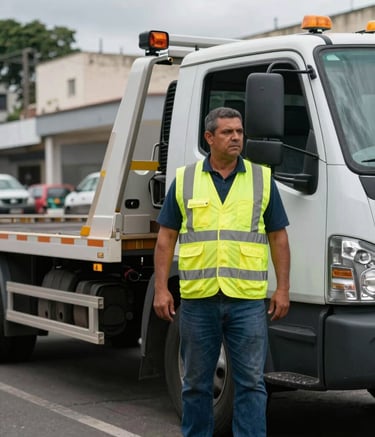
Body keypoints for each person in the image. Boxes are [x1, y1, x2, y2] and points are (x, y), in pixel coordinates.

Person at [153, 106, 290, 437]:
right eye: (228, 132)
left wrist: (283, 289)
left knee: (252, 384)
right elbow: (166, 238)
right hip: (199, 301)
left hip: (246, 302)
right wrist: (161, 289)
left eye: (240, 132)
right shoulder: (186, 180)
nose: (236, 138)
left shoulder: (261, 178)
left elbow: (279, 238)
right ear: (209, 138)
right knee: (196, 385)